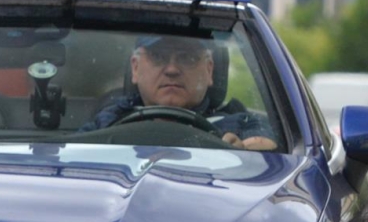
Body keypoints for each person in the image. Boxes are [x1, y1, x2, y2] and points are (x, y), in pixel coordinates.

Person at [84, 33, 278, 148]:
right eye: (158, 57)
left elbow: (273, 149)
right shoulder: (109, 121)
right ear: (135, 68)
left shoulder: (242, 124)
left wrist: (247, 152)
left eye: (188, 58)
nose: (172, 69)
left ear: (209, 70)